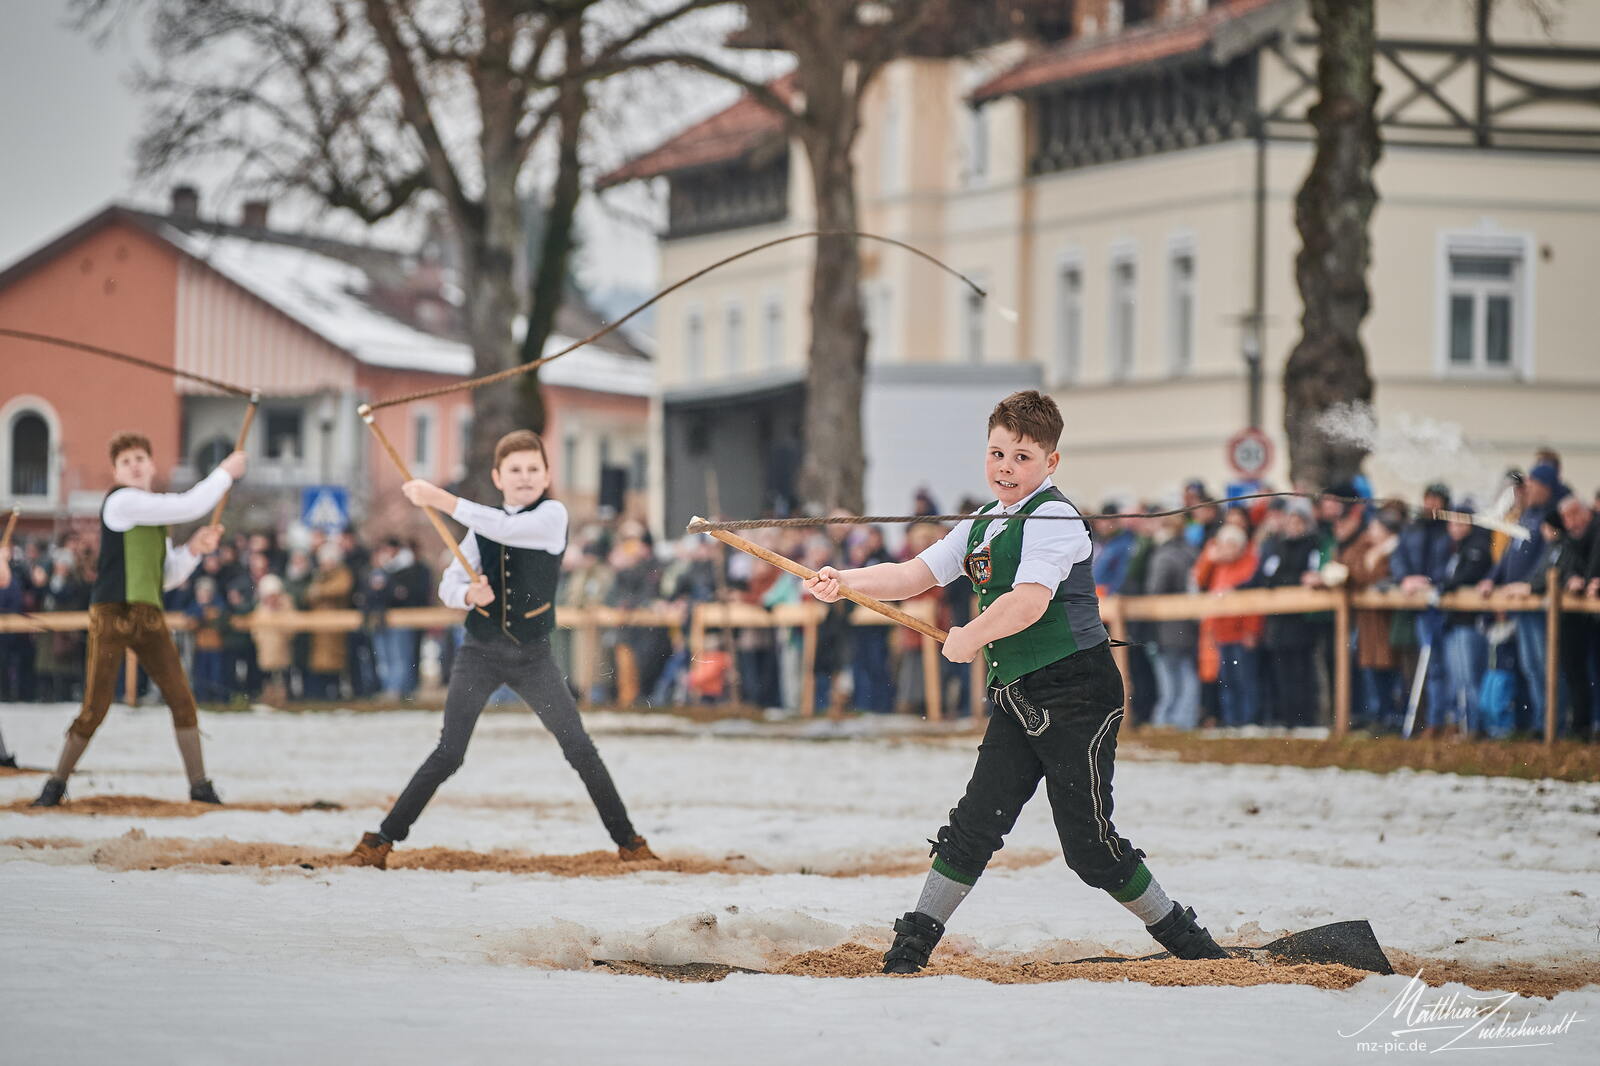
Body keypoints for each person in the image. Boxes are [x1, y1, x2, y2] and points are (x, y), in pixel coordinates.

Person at [803, 391, 1228, 974]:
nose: (1006, 467)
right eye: (997, 453)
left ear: (1051, 462)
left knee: (1089, 850)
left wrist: (968, 637)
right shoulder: (983, 522)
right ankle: (911, 949)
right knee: (973, 825)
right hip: (1019, 697)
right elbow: (911, 574)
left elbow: (1028, 603)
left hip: (1078, 693)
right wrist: (843, 580)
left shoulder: (1053, 517)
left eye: (1022, 457)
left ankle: (1193, 946)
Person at [349, 430, 654, 868]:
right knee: (449, 753)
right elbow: (448, 585)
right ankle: (382, 839)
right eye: (515, 470)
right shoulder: (479, 530)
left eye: (533, 469)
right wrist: (470, 597)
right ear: (498, 476)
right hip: (479, 653)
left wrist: (440, 498)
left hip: (533, 657)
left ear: (547, 475)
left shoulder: (551, 515)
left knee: (579, 748)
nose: (525, 477)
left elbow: (509, 528)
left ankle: (629, 842)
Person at [32, 434, 246, 807]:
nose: (133, 464)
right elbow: (190, 503)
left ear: (151, 465)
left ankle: (199, 785)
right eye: (126, 460)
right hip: (112, 614)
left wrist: (194, 549)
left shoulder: (153, 515)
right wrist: (226, 472)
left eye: (139, 458)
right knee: (96, 707)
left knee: (181, 699)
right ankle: (56, 783)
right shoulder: (123, 501)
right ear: (116, 472)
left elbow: (166, 576)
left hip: (148, 615)